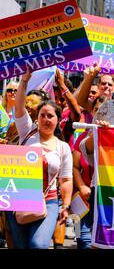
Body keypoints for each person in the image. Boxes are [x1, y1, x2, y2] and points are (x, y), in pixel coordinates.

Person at [4, 71, 73, 249]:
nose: (45, 119)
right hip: (19, 198)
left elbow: (65, 180)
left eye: (50, 116)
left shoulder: (63, 147)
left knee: (38, 245)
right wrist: (25, 80)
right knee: (21, 246)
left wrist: (65, 206)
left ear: (58, 120)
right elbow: (19, 108)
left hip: (48, 201)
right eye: (42, 115)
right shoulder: (27, 131)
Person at [72, 95, 106, 249]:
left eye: (104, 111)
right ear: (92, 112)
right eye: (97, 110)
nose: (100, 114)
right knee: (82, 239)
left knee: (101, 241)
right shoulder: (82, 138)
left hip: (104, 198)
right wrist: (82, 187)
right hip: (82, 199)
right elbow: (75, 167)